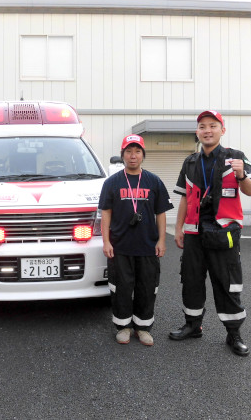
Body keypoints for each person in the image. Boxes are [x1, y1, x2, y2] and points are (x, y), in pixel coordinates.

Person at [169, 110, 251, 356]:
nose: (207, 130)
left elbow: (250, 191)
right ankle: (193, 325)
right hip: (194, 233)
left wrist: (241, 175)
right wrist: (178, 229)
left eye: (212, 126)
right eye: (202, 126)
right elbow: (186, 198)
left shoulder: (236, 157)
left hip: (223, 232)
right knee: (191, 280)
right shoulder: (190, 162)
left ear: (222, 130)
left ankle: (234, 334)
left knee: (227, 283)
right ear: (197, 132)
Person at [99, 134, 174, 346]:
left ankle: (143, 327)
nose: (133, 156)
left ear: (143, 155)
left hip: (147, 246)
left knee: (147, 288)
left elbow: (161, 213)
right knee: (121, 287)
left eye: (137, 151)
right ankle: (123, 326)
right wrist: (106, 241)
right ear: (122, 155)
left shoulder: (154, 181)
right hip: (120, 247)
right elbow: (106, 213)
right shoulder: (112, 183)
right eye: (129, 152)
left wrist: (161, 241)